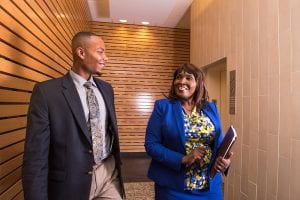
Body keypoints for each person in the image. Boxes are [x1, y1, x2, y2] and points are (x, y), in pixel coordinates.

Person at [22, 32, 125, 200]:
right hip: (71, 183)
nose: (106, 58)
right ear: (81, 53)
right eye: (100, 51)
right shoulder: (46, 93)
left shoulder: (107, 89)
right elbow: (36, 156)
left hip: (108, 174)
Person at [145, 63, 233, 200]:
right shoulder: (163, 107)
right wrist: (183, 159)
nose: (181, 82)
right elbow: (151, 144)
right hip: (173, 187)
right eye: (178, 77)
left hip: (209, 187)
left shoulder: (211, 108)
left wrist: (225, 162)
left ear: (198, 83)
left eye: (188, 78)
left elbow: (218, 144)